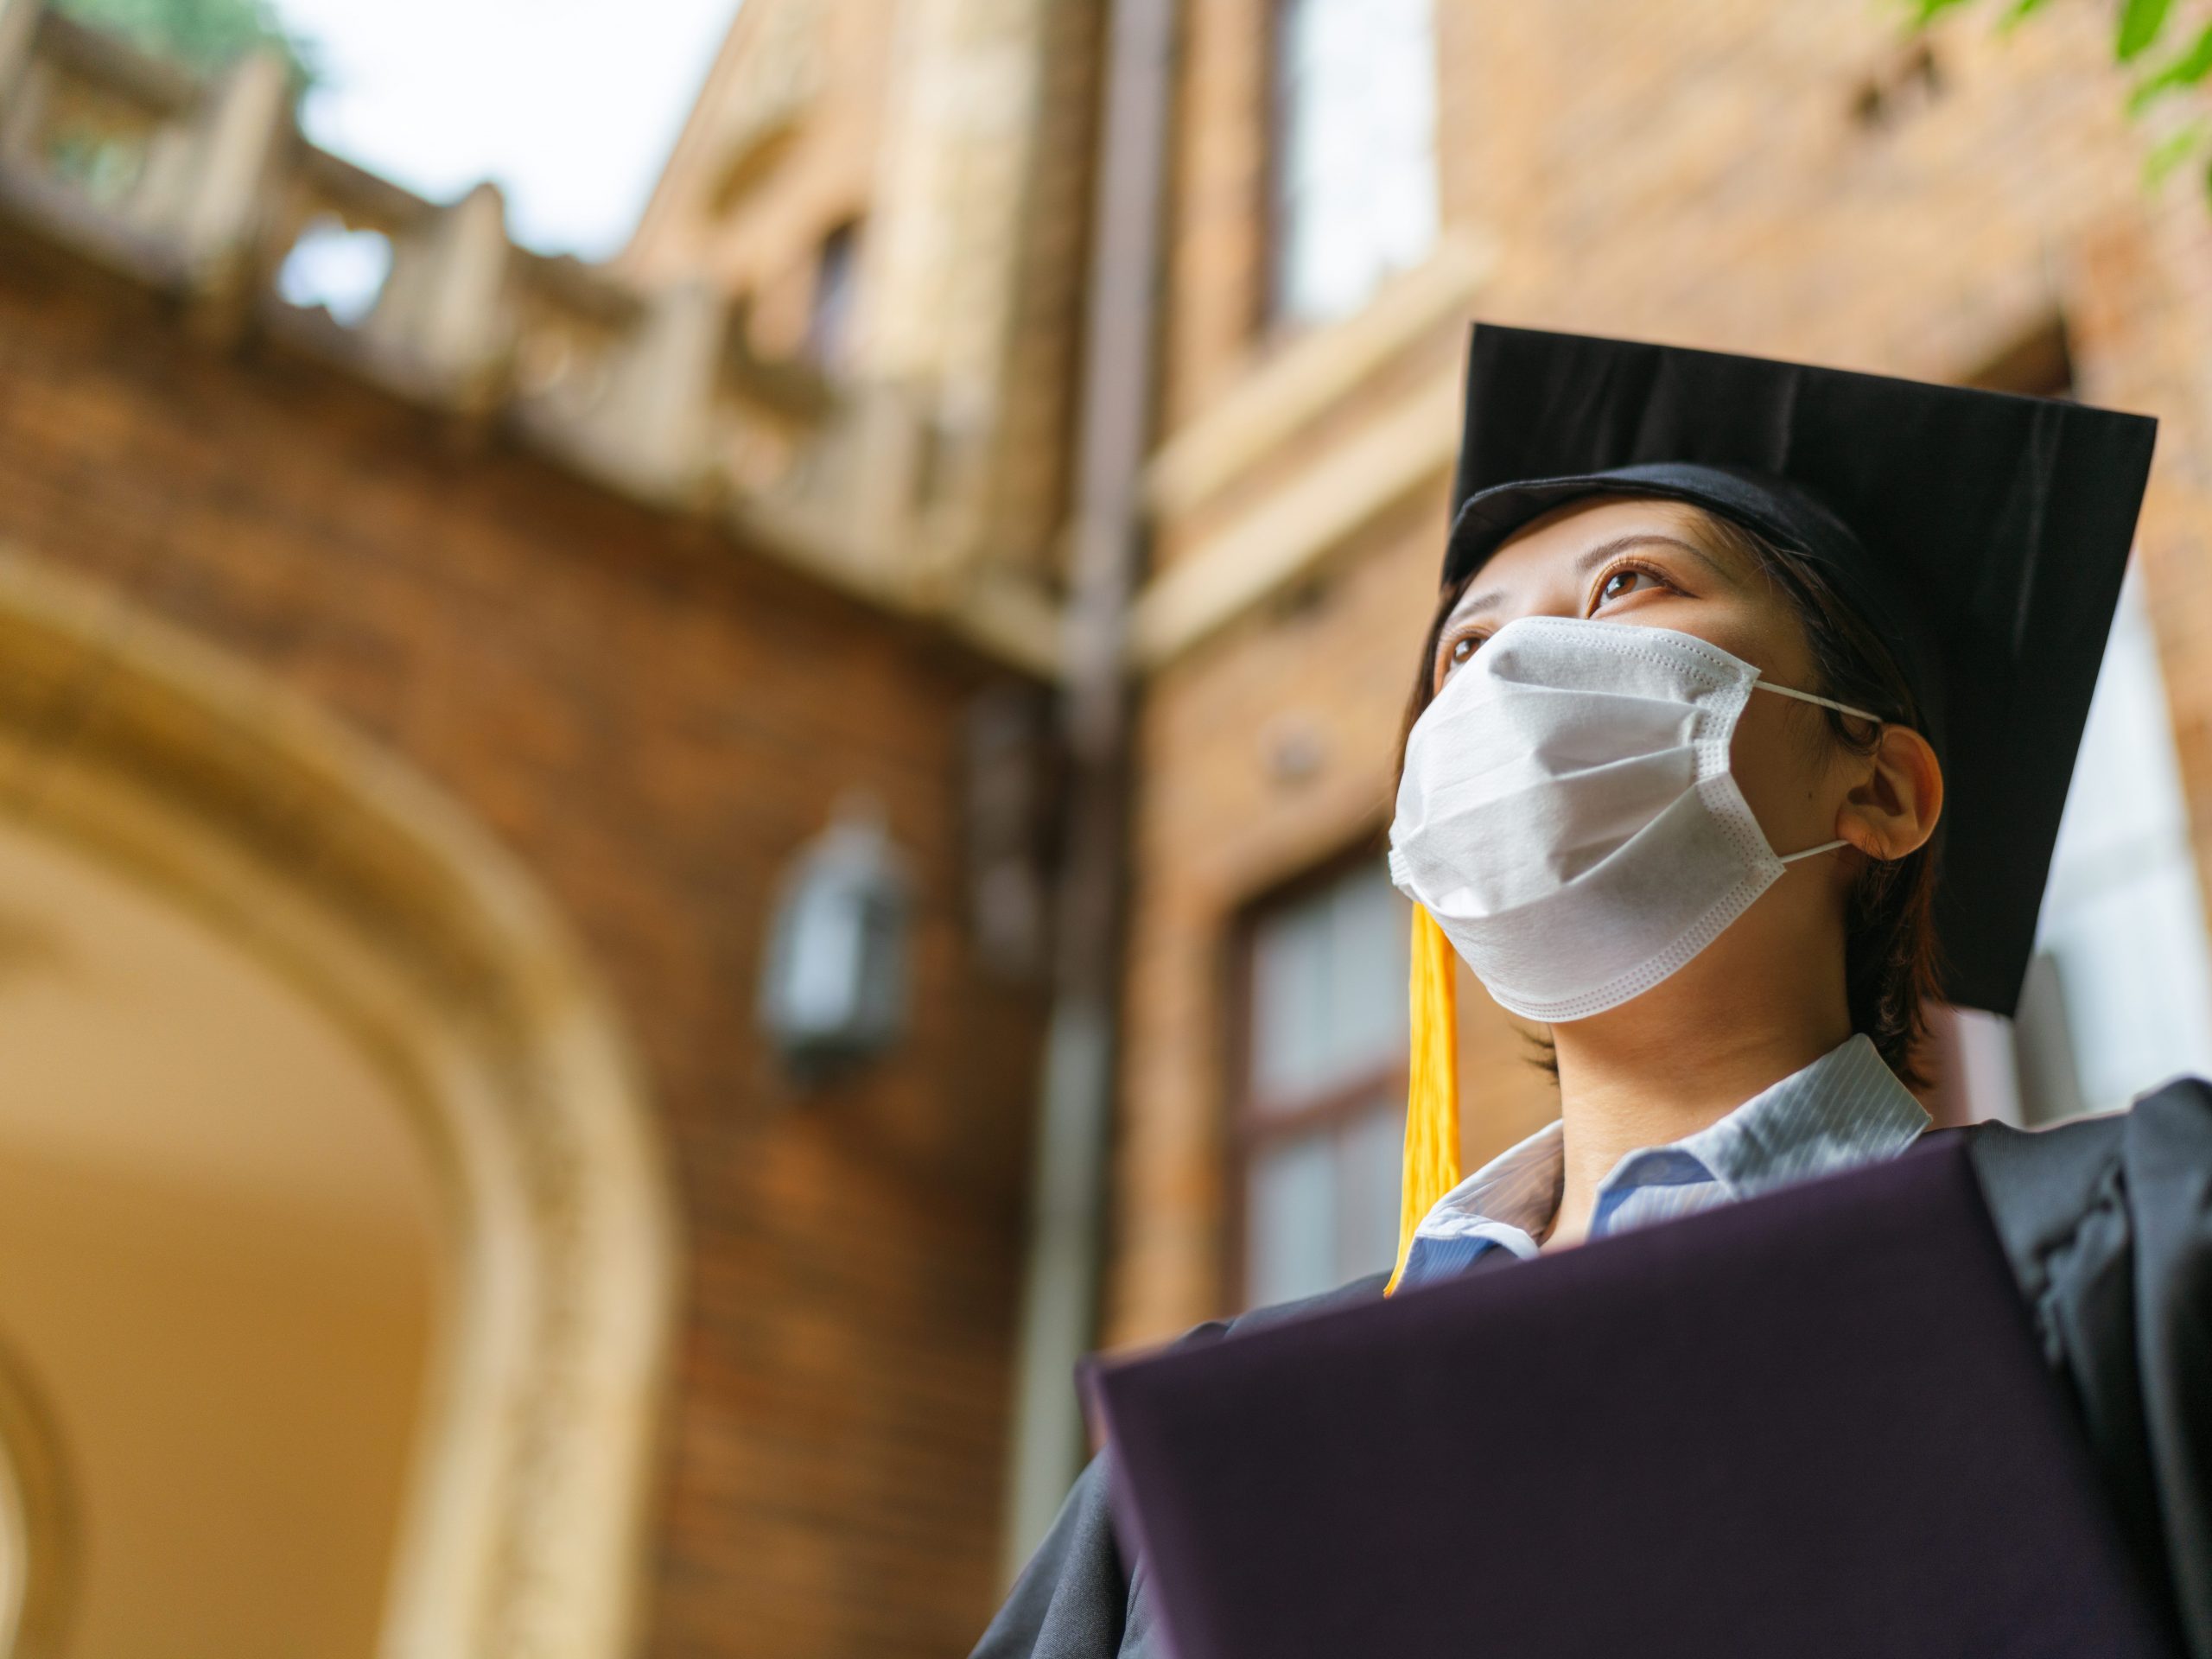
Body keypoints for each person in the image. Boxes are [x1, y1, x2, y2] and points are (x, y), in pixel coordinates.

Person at [972, 324, 2212, 1659]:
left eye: (1628, 586)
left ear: (1880, 789)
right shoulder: (1199, 1469)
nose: (1506, 675)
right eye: (1463, 653)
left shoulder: (2141, 1244)